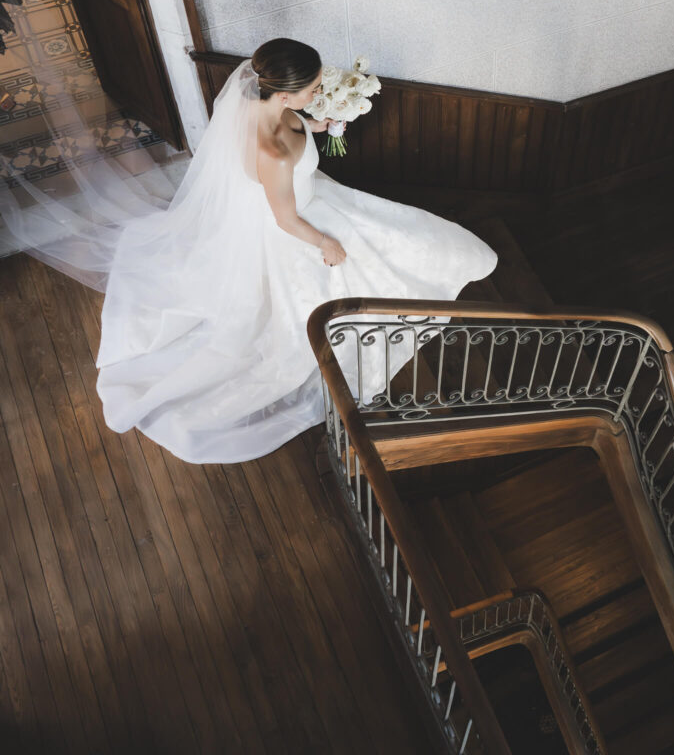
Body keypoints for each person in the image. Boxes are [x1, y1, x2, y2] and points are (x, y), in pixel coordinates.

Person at [94, 37, 498, 463]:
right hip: (300, 227)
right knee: (370, 266)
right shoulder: (271, 152)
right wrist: (326, 243)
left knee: (411, 239)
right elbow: (286, 221)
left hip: (314, 201)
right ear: (284, 93)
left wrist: (324, 124)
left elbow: (299, 125)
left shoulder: (269, 106)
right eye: (313, 88)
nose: (318, 93)